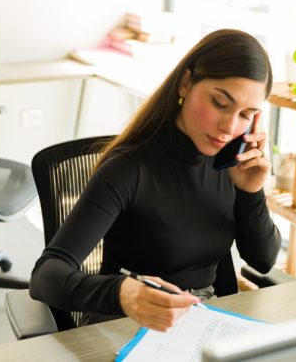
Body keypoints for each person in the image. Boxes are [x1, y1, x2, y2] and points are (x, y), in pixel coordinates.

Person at [30, 29, 281, 332]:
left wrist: (252, 191)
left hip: (205, 323)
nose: (229, 127)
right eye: (220, 103)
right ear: (186, 83)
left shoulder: (230, 166)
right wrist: (121, 292)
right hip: (129, 323)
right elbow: (46, 276)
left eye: (246, 114)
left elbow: (263, 261)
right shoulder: (128, 169)